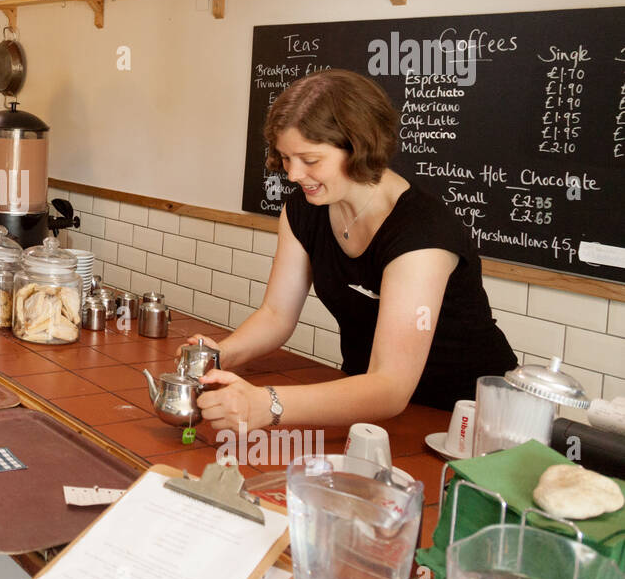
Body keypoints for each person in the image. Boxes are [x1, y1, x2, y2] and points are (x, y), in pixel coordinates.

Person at [195, 69, 516, 434]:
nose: (293, 174)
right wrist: (218, 355)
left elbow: (391, 385)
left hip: (467, 417)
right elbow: (275, 314)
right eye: (286, 158)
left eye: (310, 160)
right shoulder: (304, 211)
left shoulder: (421, 234)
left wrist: (266, 404)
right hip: (369, 404)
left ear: (359, 146)